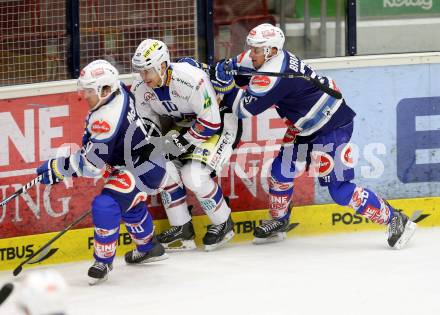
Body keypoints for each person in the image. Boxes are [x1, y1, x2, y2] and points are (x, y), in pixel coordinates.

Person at [212, 23, 416, 248]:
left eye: (256, 49)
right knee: (280, 172)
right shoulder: (264, 57)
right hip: (306, 128)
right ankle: (279, 221)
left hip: (331, 128)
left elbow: (242, 109)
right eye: (251, 48)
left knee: (339, 191)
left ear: (271, 51)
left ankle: (396, 219)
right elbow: (235, 65)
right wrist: (221, 68)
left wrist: (224, 86)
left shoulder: (274, 76)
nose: (252, 53)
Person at [36, 60, 168, 285]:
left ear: (105, 89)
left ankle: (103, 261)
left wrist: (59, 168)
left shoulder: (106, 117)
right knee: (129, 202)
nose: (84, 96)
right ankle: (149, 246)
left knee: (105, 205)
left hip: (142, 167)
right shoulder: (120, 93)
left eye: (89, 91)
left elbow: (93, 164)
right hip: (148, 160)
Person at [131, 39, 241, 251]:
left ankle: (223, 222)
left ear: (162, 66)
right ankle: (182, 227)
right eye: (141, 71)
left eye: (148, 71)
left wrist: (181, 143)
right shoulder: (140, 86)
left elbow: (210, 122)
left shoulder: (191, 79)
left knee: (194, 175)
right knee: (164, 168)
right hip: (183, 126)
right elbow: (148, 124)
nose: (144, 78)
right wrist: (151, 147)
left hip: (219, 123)